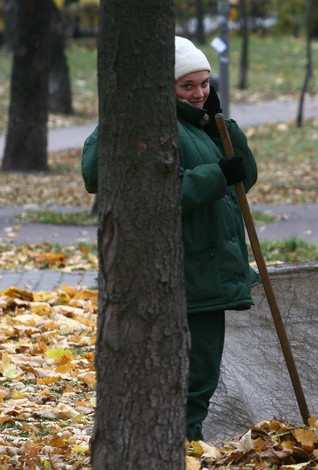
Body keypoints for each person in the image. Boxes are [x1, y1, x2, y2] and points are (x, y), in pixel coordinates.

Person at [81, 36, 260, 442]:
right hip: (183, 268)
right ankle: (181, 447)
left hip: (208, 266)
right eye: (187, 86)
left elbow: (243, 180)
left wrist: (223, 127)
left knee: (202, 371)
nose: (199, 94)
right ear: (164, 87)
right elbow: (148, 193)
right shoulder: (147, 123)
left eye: (204, 83)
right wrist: (217, 174)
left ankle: (185, 446)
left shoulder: (199, 124)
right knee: (191, 374)